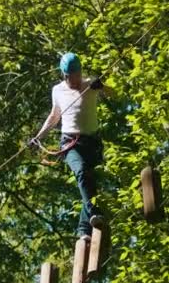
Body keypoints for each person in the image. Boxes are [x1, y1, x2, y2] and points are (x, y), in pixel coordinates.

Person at [30, 52, 112, 242]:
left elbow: (113, 93)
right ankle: (94, 212)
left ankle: (83, 230)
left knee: (89, 183)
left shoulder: (90, 84)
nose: (76, 80)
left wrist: (102, 87)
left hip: (92, 143)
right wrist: (37, 137)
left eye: (78, 75)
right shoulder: (57, 91)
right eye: (72, 76)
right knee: (82, 172)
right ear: (65, 75)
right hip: (70, 143)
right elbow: (54, 116)